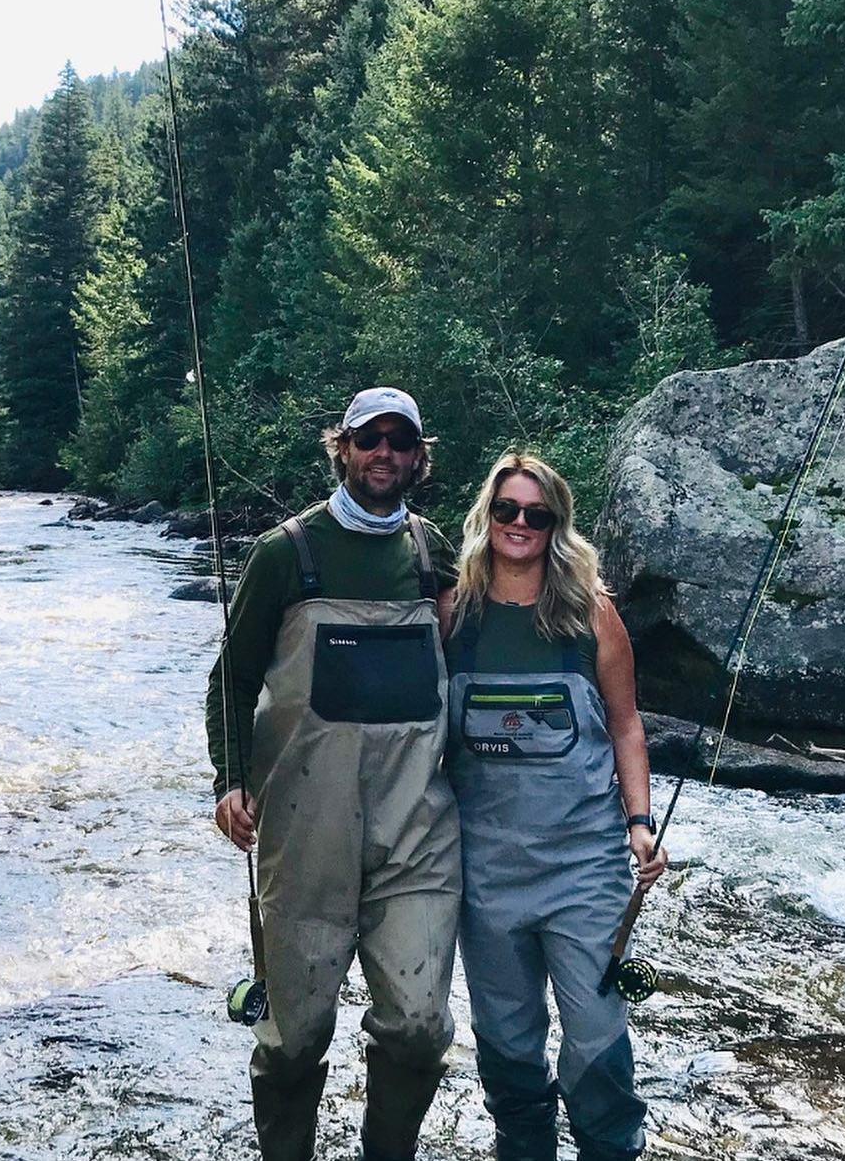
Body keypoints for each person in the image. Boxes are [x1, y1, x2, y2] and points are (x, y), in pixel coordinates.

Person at [206, 387, 462, 1161]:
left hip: (416, 828)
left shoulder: (432, 551)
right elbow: (231, 678)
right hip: (304, 825)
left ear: (419, 458)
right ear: (341, 450)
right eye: (368, 439)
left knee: (420, 1027)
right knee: (293, 1039)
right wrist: (230, 780)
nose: (383, 452)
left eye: (399, 441)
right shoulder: (287, 552)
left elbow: (480, 656)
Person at [441, 452, 667, 1161]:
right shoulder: (453, 614)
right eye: (506, 510)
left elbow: (627, 724)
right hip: (485, 874)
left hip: (584, 870)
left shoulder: (592, 616)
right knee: (507, 1050)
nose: (519, 524)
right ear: (487, 517)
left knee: (599, 1044)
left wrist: (639, 822)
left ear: (556, 526)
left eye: (536, 515)